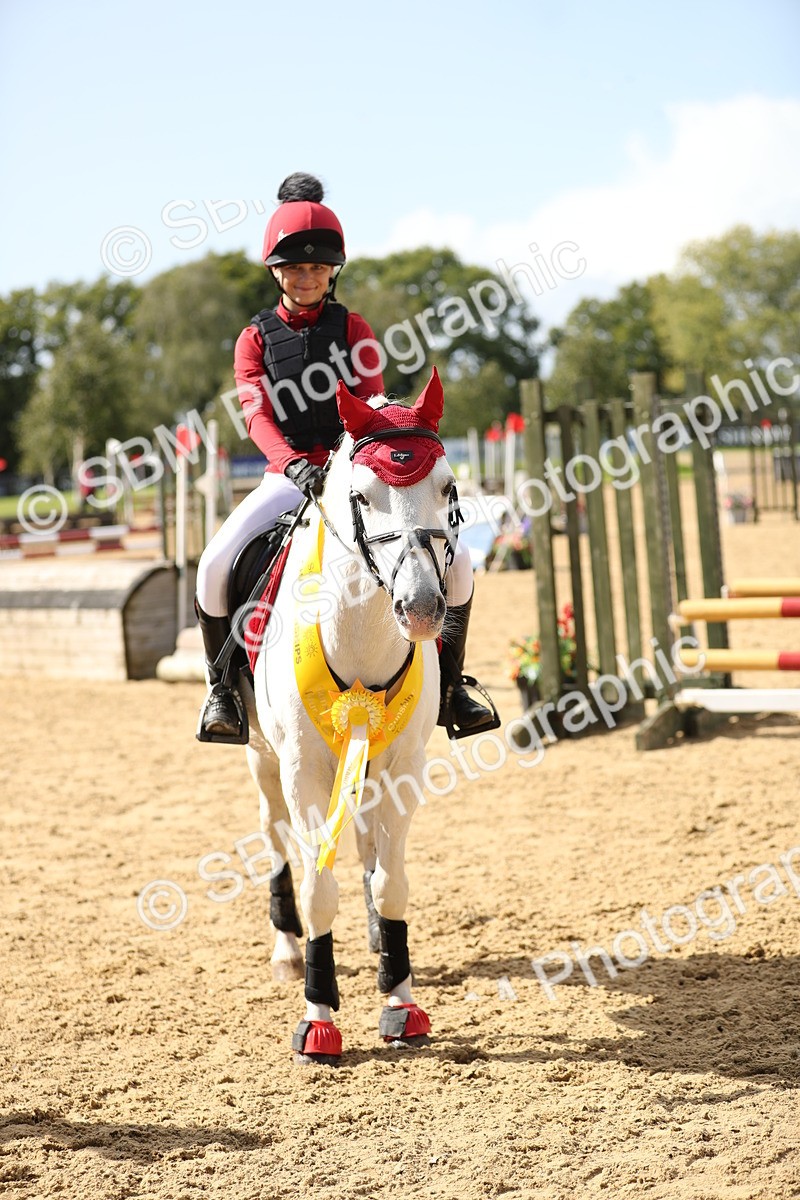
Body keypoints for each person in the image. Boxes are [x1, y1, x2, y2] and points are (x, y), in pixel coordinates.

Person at [195, 172, 495, 743]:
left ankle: (453, 687)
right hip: (287, 476)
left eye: (316, 267)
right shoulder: (253, 339)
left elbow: (373, 405)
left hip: (354, 472)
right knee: (214, 566)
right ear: (275, 271)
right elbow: (256, 415)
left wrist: (346, 462)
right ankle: (221, 691)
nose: (305, 277)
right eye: (294, 268)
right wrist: (292, 463)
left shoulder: (354, 327)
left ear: (332, 271)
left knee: (456, 565)